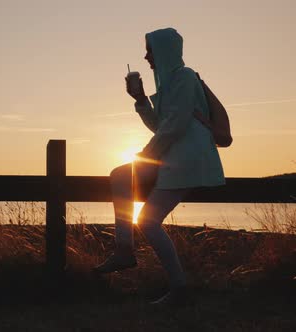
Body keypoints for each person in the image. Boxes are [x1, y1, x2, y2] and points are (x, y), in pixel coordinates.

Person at [93, 27, 225, 305]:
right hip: (175, 157)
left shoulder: (185, 77)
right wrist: (141, 100)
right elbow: (161, 127)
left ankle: (178, 288)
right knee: (120, 176)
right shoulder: (170, 84)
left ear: (164, 50)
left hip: (188, 160)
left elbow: (174, 128)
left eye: (150, 50)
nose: (146, 56)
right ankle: (125, 250)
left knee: (149, 221)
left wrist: (144, 157)